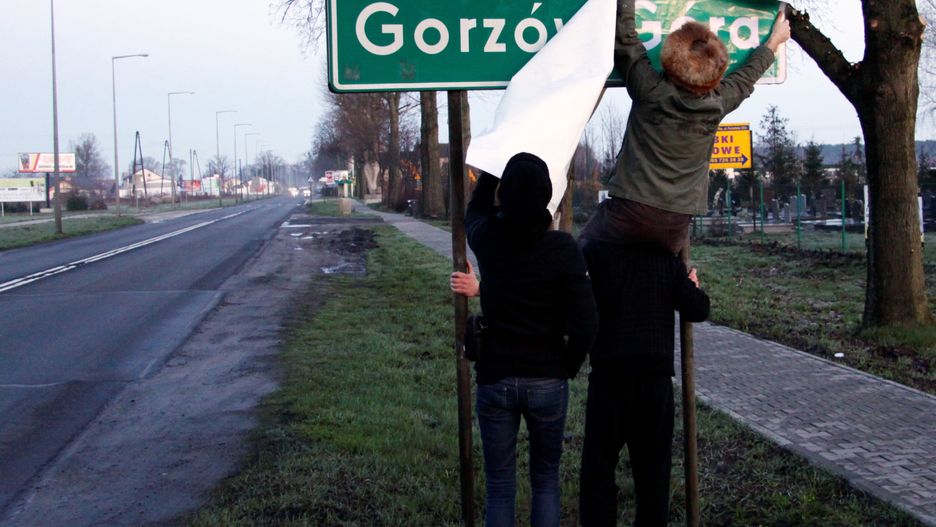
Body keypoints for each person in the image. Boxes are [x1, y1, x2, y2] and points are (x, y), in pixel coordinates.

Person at [580, 1, 792, 254]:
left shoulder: (650, 90)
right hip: (676, 221)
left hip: (629, 209)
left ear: (672, 57)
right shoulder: (718, 103)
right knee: (663, 280)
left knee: (579, 259)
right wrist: (773, 42)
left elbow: (625, 39)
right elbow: (747, 76)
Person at [458, 152, 598, 527]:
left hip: (496, 378)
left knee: (500, 485)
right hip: (548, 380)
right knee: (546, 481)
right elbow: (587, 322)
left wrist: (491, 168)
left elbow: (474, 211)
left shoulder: (488, 239)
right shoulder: (564, 249)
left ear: (506, 195)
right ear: (546, 195)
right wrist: (565, 366)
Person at [578, 241, 710, 526]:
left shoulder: (597, 251)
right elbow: (698, 309)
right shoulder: (664, 256)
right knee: (653, 479)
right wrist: (693, 287)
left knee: (597, 475)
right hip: (653, 380)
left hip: (608, 378)